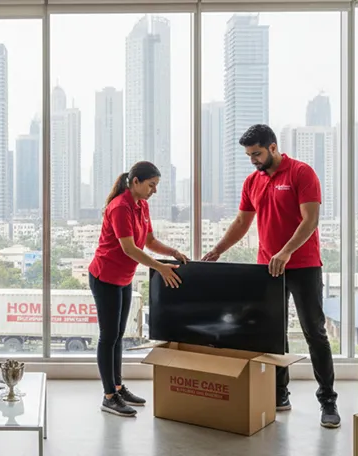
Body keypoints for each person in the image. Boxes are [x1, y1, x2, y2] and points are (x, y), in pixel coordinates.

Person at [201, 124, 340, 428]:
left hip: (302, 266)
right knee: (272, 333)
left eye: (257, 153)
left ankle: (327, 400)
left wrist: (287, 251)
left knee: (314, 332)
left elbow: (310, 220)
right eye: (249, 155)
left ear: (273, 147)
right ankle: (280, 393)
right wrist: (218, 249)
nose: (253, 159)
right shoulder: (252, 181)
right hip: (267, 268)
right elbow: (241, 222)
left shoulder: (301, 173)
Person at [89, 161, 189, 417]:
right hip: (105, 277)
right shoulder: (120, 207)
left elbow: (149, 241)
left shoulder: (141, 205)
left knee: (118, 335)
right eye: (151, 185)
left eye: (156, 186)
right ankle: (109, 396)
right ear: (136, 182)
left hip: (123, 277)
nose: (154, 191)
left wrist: (172, 253)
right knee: (108, 336)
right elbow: (130, 249)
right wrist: (160, 268)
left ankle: (118, 387)